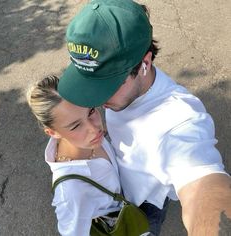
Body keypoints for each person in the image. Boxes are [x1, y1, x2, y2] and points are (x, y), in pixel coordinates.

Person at [57, 0, 231, 235]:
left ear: (144, 64)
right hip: (118, 186)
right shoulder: (125, 87)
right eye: (91, 83)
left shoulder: (180, 121)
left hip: (145, 205)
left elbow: (203, 186)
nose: (97, 101)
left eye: (108, 84)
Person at [26, 75, 123, 236]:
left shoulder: (89, 140)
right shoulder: (70, 191)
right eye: (76, 126)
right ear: (53, 132)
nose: (94, 128)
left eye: (91, 111)